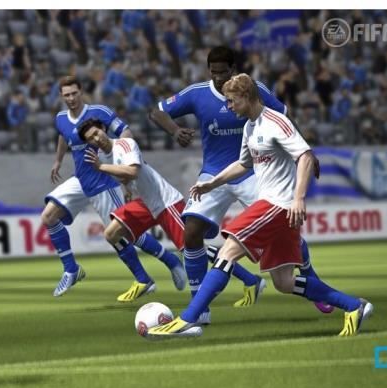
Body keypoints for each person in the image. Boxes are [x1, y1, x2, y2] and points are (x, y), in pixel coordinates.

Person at [148, 74, 373, 339]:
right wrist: (212, 183)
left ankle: (188, 319)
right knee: (284, 282)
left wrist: (299, 198)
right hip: (277, 209)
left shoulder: (277, 122)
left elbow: (305, 156)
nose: (228, 106)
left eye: (231, 101)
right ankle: (354, 306)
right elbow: (244, 164)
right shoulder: (250, 127)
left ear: (246, 96)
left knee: (227, 253)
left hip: (277, 205)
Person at [42, 76, 186, 300]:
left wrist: (120, 161)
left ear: (81, 92)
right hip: (80, 178)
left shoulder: (98, 112)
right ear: (61, 96)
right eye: (66, 95)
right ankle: (71, 269)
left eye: (74, 93)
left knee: (122, 233)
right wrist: (58, 160)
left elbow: (126, 132)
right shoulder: (61, 118)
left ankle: (161, 267)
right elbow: (64, 136)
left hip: (104, 179)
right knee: (49, 216)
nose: (71, 98)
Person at [78, 119, 187, 301]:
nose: (96, 139)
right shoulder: (102, 156)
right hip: (144, 202)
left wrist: (101, 167)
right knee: (111, 233)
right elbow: (124, 177)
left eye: (97, 133)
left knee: (193, 249)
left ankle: (237, 273)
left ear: (104, 128)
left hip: (164, 200)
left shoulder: (125, 144)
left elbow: (133, 172)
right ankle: (145, 279)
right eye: (90, 138)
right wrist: (127, 189)